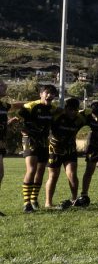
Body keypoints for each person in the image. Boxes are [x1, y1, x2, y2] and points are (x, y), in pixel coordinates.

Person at [18, 84, 58, 212]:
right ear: (41, 94)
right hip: (30, 140)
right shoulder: (31, 106)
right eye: (46, 93)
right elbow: (18, 116)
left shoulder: (53, 109)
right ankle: (26, 203)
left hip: (44, 141)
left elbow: (61, 113)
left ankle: (34, 200)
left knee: (40, 170)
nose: (49, 95)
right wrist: (22, 130)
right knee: (32, 169)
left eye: (52, 94)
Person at [44, 97, 87, 208]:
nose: (73, 112)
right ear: (66, 108)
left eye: (75, 110)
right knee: (53, 176)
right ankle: (48, 202)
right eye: (70, 109)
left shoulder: (80, 119)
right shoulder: (57, 116)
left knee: (72, 174)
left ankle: (74, 199)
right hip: (55, 149)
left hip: (70, 150)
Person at [0, 80, 21, 216]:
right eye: (1, 85)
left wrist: (9, 122)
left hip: (1, 144)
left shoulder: (2, 105)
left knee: (0, 175)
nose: (5, 86)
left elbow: (13, 106)